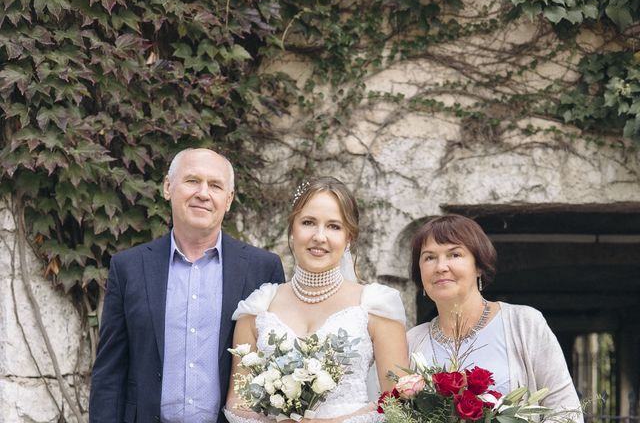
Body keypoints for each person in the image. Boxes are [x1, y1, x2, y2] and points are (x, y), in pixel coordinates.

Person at [89, 148, 285, 423]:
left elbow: (276, 368)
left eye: (215, 185)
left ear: (228, 200)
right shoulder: (128, 268)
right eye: (192, 181)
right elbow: (109, 372)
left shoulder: (262, 268)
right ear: (168, 187)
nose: (203, 193)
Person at [224, 177, 409, 423]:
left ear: (349, 237)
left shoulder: (376, 306)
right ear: (293, 230)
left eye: (334, 226)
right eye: (308, 222)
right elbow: (237, 400)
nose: (319, 236)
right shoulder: (258, 307)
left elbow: (397, 401)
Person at [407, 214, 582, 419]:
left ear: (479, 266)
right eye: (429, 257)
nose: (440, 267)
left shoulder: (525, 323)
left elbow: (566, 410)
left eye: (454, 254)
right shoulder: (412, 341)